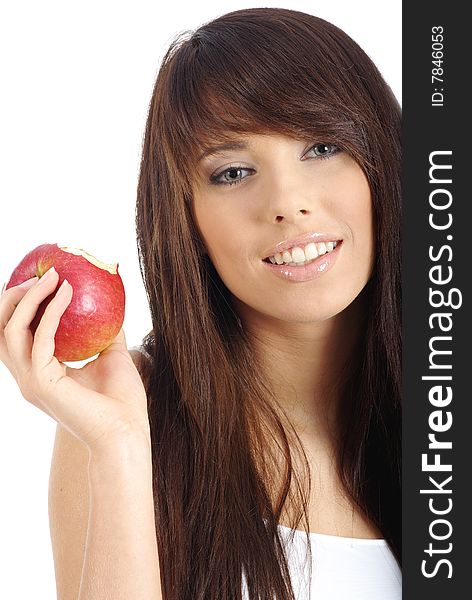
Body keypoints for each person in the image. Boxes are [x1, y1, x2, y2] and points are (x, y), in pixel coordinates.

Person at [0, 7, 401, 599]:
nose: (289, 202)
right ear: (186, 219)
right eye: (234, 172)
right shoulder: (130, 411)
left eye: (321, 146)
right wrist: (119, 449)